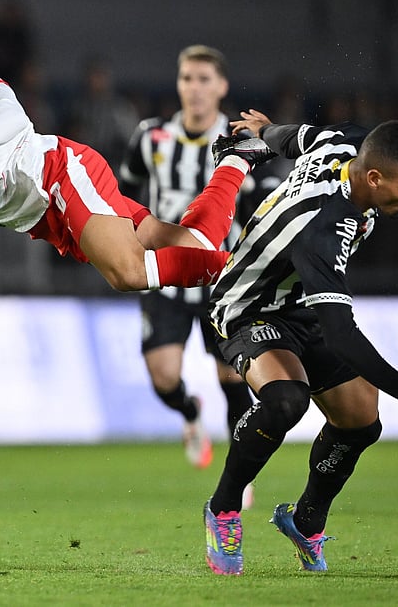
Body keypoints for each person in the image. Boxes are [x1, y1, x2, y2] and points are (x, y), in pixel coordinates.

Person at [0, 26, 273, 373]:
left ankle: (267, 269)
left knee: (126, 272)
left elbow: (15, 116)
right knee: (188, 242)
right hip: (43, 221)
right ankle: (237, 162)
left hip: (58, 171)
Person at [201, 109, 398, 576]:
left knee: (361, 423)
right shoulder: (322, 230)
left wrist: (263, 132)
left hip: (299, 307)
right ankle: (223, 509)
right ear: (373, 177)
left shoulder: (345, 143)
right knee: (287, 400)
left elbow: (299, 137)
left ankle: (305, 521)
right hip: (247, 307)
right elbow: (342, 336)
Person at [118, 45, 258, 478]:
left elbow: (262, 204)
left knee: (234, 381)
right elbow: (125, 189)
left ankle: (239, 472)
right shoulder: (151, 136)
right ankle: (190, 411)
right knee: (163, 378)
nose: (194, 89)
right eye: (186, 79)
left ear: (221, 87)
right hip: (166, 277)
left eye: (203, 79)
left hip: (223, 281)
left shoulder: (242, 143)